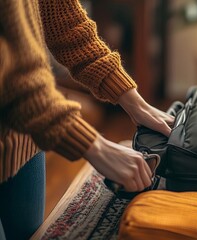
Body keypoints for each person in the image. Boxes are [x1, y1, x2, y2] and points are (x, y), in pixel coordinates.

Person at [0, 0, 175, 239]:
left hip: (24, 140)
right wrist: (96, 147)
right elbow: (11, 78)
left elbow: (66, 24)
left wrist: (135, 102)